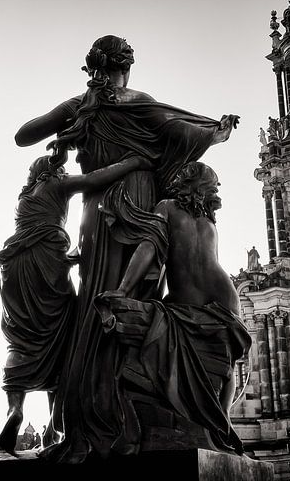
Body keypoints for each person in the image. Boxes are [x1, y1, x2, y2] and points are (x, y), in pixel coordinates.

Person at [15, 35, 238, 462]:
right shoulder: (140, 102)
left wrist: (72, 117)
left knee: (92, 305)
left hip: (96, 210)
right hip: (139, 202)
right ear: (127, 68)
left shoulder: (79, 105)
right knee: (135, 301)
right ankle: (126, 413)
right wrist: (217, 131)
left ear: (91, 68)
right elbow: (184, 132)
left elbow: (23, 136)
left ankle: (85, 418)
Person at [0, 152, 151, 454]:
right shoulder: (56, 184)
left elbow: (36, 229)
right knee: (63, 338)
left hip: (14, 270)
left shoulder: (25, 197)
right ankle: (55, 427)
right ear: (52, 171)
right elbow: (94, 179)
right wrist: (134, 162)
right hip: (45, 262)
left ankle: (15, 409)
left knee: (20, 339)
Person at [96, 162, 250, 455]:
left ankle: (219, 421)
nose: (216, 190)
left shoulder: (167, 208)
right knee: (227, 364)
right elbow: (171, 252)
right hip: (223, 295)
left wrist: (124, 289)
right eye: (213, 185)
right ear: (201, 187)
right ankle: (223, 419)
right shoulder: (206, 219)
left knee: (221, 361)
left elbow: (148, 248)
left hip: (194, 297)